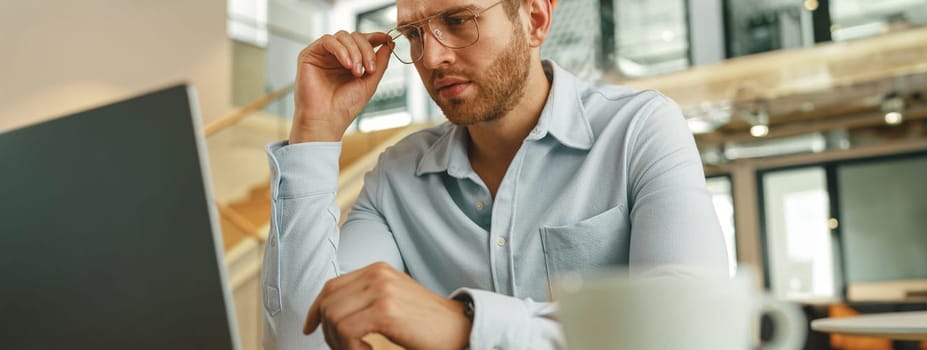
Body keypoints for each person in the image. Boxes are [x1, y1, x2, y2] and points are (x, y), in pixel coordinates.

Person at [261, 0, 728, 348]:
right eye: (415, 35)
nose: (431, 58)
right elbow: (302, 339)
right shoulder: (397, 178)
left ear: (536, 19)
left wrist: (466, 327)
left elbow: (689, 328)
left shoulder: (638, 130)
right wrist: (314, 131)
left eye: (457, 21)